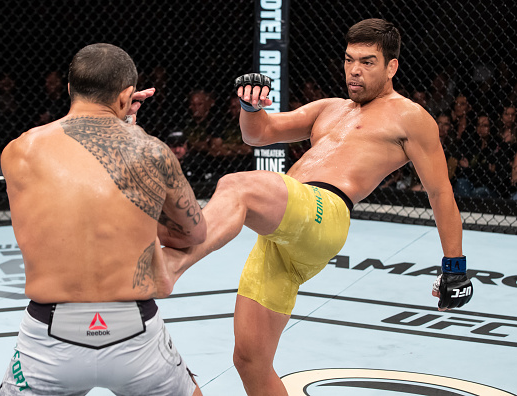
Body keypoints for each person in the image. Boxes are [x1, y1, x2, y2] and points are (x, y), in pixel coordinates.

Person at [160, 19, 473, 396]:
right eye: (349, 60)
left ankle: (173, 263)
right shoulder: (330, 108)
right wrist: (250, 106)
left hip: (325, 213)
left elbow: (440, 194)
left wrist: (455, 269)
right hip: (285, 234)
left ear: (392, 66)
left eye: (368, 62)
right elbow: (258, 134)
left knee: (236, 185)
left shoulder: (410, 117)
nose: (355, 70)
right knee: (250, 361)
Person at [0, 43, 206, 396]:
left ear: (69, 89)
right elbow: (193, 234)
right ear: (127, 95)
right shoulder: (152, 150)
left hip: (48, 338)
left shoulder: (20, 150)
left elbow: (72, 199)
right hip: (136, 334)